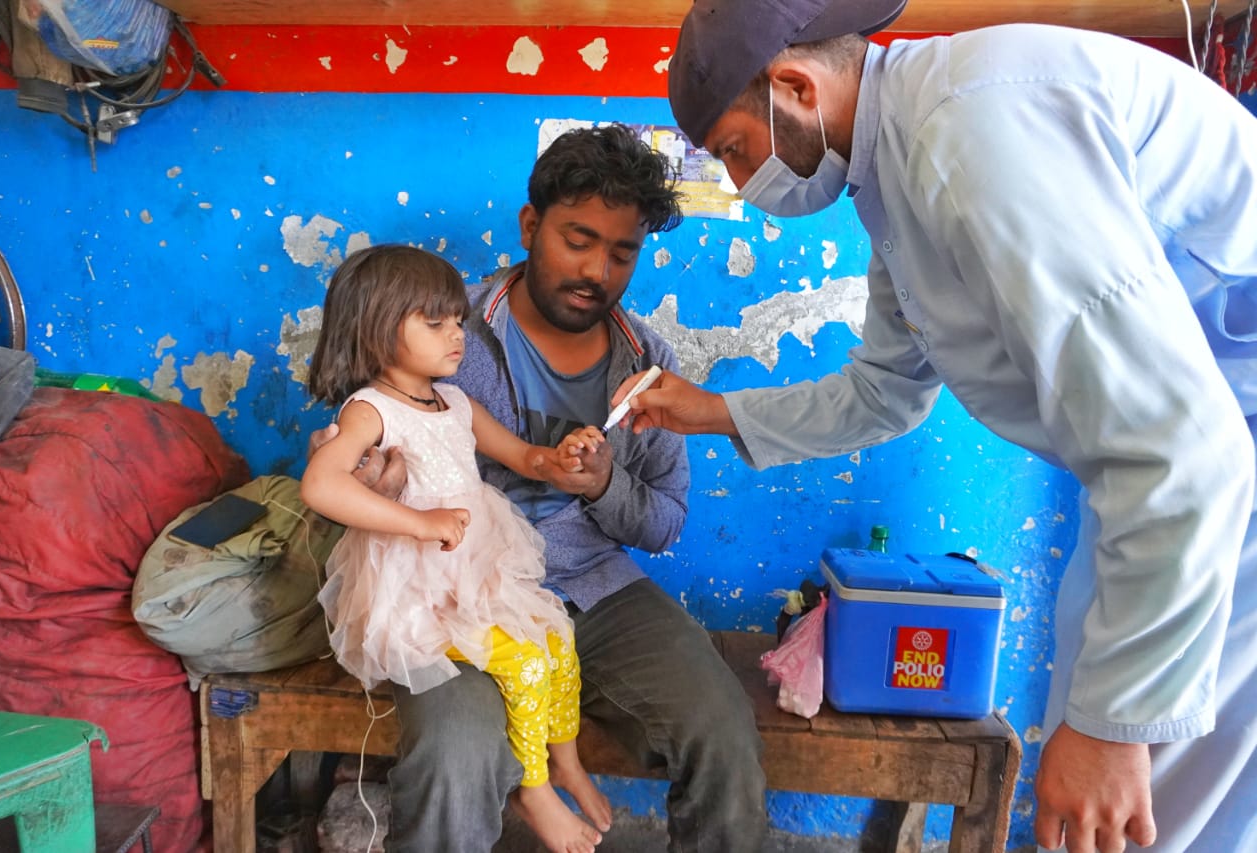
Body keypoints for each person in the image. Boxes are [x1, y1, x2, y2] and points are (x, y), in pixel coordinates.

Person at [615, 2, 1257, 852]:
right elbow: (886, 388)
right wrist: (711, 411)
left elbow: (1185, 449)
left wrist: (1114, 727)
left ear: (795, 87)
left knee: (1152, 807)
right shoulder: (897, 166)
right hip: (1158, 481)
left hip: (1212, 481)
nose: (739, 184)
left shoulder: (974, 131)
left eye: (736, 150)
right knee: (1099, 733)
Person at [314, 124, 769, 852]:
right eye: (578, 240)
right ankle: (532, 789)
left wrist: (603, 484)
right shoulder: (442, 332)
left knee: (722, 728)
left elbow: (663, 523)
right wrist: (383, 482)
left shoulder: (647, 359)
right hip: (456, 600)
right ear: (531, 225)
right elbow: (367, 451)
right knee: (457, 751)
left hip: (594, 588)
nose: (597, 270)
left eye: (622, 252)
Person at [301, 243, 614, 853]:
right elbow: (321, 483)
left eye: (456, 321)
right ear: (376, 326)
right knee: (525, 663)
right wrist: (417, 524)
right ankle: (536, 789)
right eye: (435, 322)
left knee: (557, 638)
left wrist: (561, 458)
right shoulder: (371, 410)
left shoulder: (457, 404)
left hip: (471, 573)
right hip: (418, 592)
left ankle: (565, 760)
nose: (457, 335)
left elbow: (525, 457)